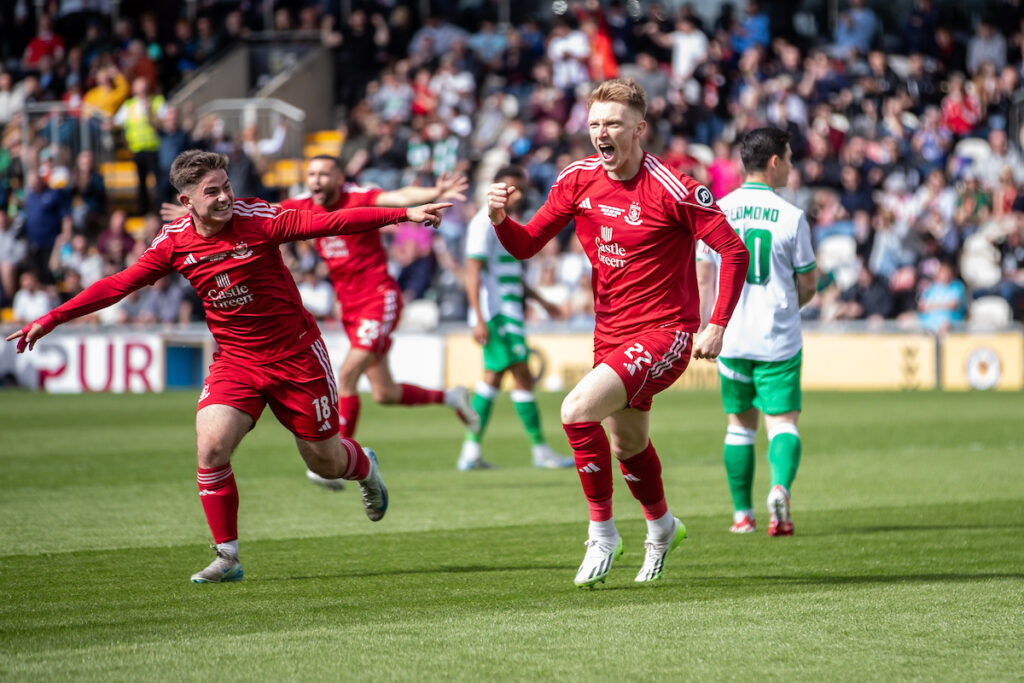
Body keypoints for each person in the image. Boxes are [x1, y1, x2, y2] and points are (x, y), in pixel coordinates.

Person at [7, 150, 451, 584]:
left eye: (227, 187)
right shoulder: (174, 242)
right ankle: (227, 556)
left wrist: (403, 215)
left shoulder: (258, 218)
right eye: (212, 191)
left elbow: (329, 221)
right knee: (211, 446)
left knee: (327, 461)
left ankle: (365, 468)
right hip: (237, 362)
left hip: (296, 357)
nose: (224, 198)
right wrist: (52, 317)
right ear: (187, 201)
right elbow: (120, 284)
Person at [486, 78, 749, 587]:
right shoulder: (577, 179)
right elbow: (527, 245)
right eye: (594, 125)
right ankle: (662, 527)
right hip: (610, 333)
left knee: (575, 411)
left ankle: (602, 533)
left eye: (612, 124)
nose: (601, 133)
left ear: (639, 129)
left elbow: (733, 251)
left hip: (667, 333)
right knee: (628, 445)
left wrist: (717, 324)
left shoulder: (675, 187)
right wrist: (500, 220)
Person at [279, 155, 479, 491]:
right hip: (351, 308)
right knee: (386, 393)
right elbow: (259, 211)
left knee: (347, 375)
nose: (316, 180)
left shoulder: (358, 196)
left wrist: (433, 190)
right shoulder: (301, 205)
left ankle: (334, 461)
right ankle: (451, 397)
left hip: (379, 298)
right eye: (311, 174)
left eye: (324, 174)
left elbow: (397, 197)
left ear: (340, 177)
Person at [696, 127, 817, 537]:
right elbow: (810, 284)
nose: (791, 166)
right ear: (773, 162)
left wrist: (708, 326)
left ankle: (741, 515)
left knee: (738, 426)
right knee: (782, 424)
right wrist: (787, 308)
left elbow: (703, 278)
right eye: (789, 157)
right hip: (778, 337)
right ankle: (779, 488)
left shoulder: (717, 209)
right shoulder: (792, 216)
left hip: (729, 336)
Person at [458, 165, 574, 472]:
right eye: (510, 188)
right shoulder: (483, 223)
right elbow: (473, 272)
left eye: (520, 188)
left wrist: (544, 303)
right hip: (498, 315)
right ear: (497, 188)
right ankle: (538, 450)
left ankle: (471, 451)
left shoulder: (505, 223)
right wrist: (479, 318)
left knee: (494, 379)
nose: (517, 194)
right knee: (521, 375)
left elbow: (512, 276)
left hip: (508, 312)